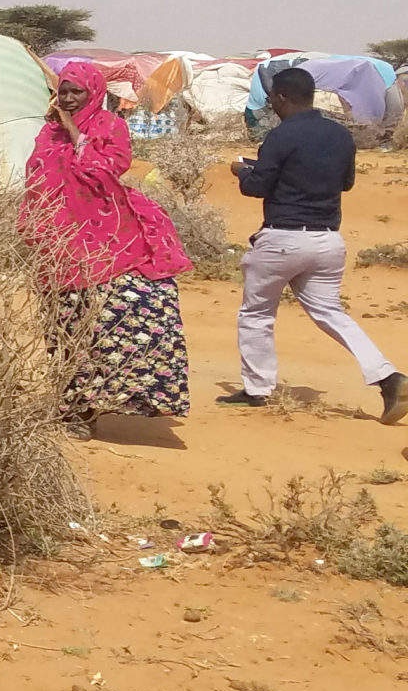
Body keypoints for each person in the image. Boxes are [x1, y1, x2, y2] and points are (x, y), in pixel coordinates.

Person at [225, 66, 408, 423]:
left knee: (257, 314)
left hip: (282, 238)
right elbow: (347, 183)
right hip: (326, 241)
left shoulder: (280, 137)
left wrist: (242, 171)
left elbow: (256, 187)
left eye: (273, 99)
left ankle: (257, 389)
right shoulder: (340, 135)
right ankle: (389, 378)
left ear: (281, 97)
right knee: (331, 313)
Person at [24, 59, 191, 428]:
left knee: (109, 322)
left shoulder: (110, 126)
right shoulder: (46, 133)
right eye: (62, 91)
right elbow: (36, 180)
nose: (67, 99)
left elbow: (108, 169)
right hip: (59, 243)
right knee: (65, 326)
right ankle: (73, 410)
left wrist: (75, 136)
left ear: (93, 92)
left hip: (105, 240)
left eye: (75, 92)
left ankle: (111, 400)